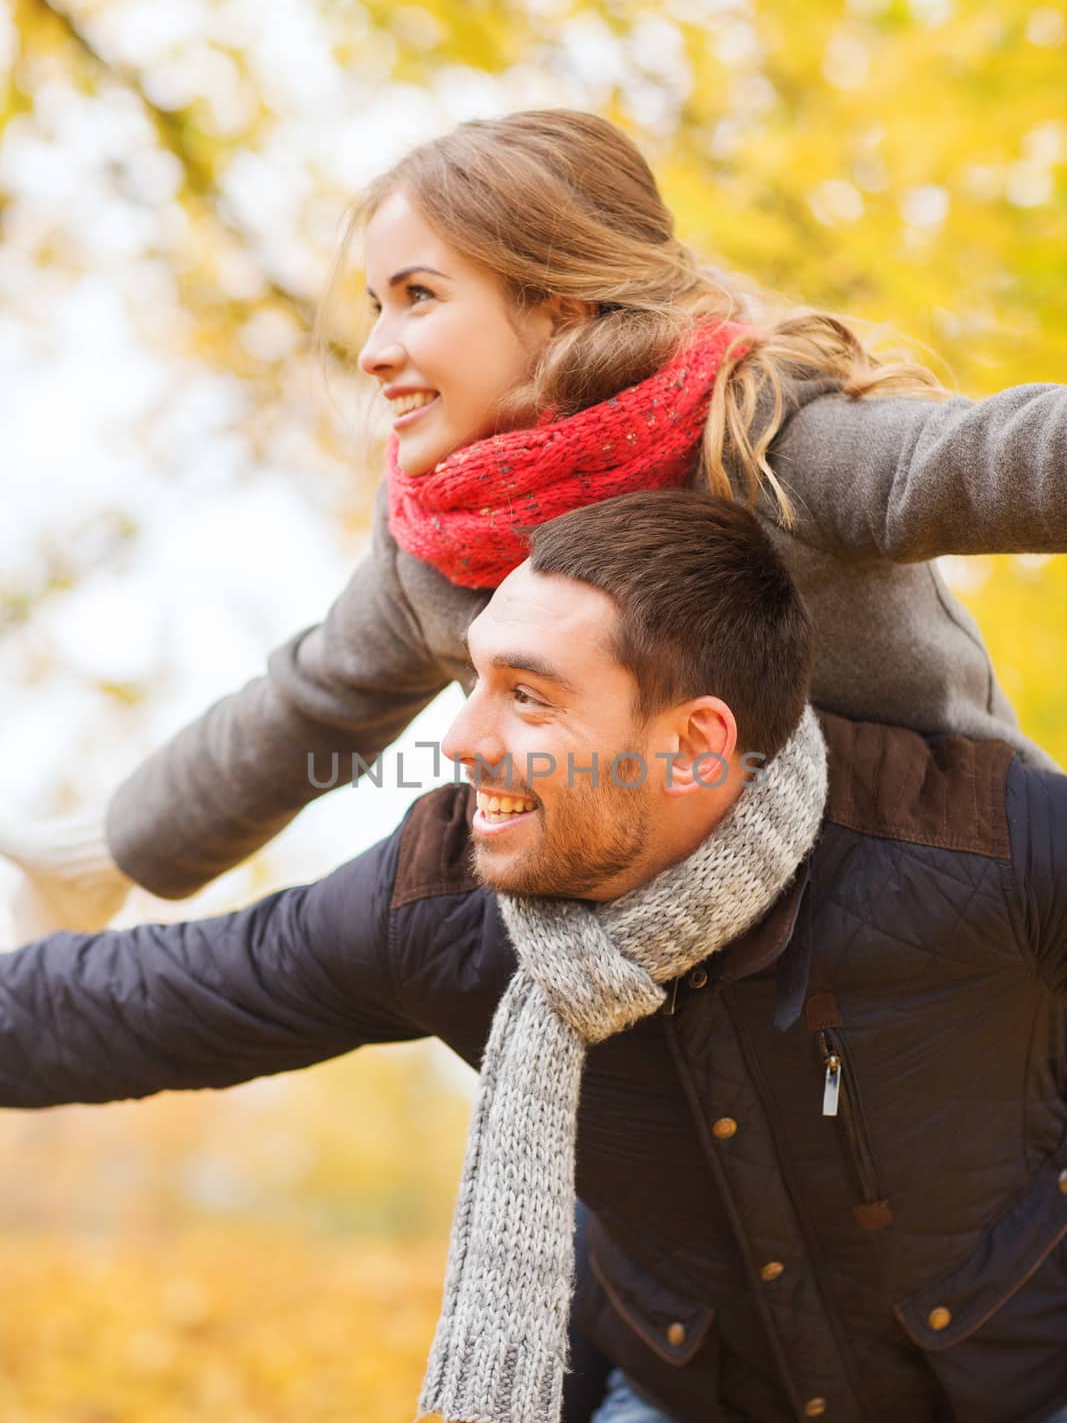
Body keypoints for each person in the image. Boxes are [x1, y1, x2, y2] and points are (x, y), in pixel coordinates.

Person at [2, 488, 1067, 1423]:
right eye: (473, 681)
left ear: (697, 743)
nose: (460, 739)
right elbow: (128, 998)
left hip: (1030, 1392)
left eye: (528, 697)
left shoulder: (980, 849)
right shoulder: (440, 903)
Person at [7, 107, 1064, 934]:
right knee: (431, 888)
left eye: (418, 296)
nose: (374, 347)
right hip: (697, 939)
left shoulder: (761, 440)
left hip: (941, 863)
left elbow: (985, 459)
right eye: (375, 303)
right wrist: (111, 850)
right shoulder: (438, 544)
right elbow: (309, 707)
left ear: (558, 302)